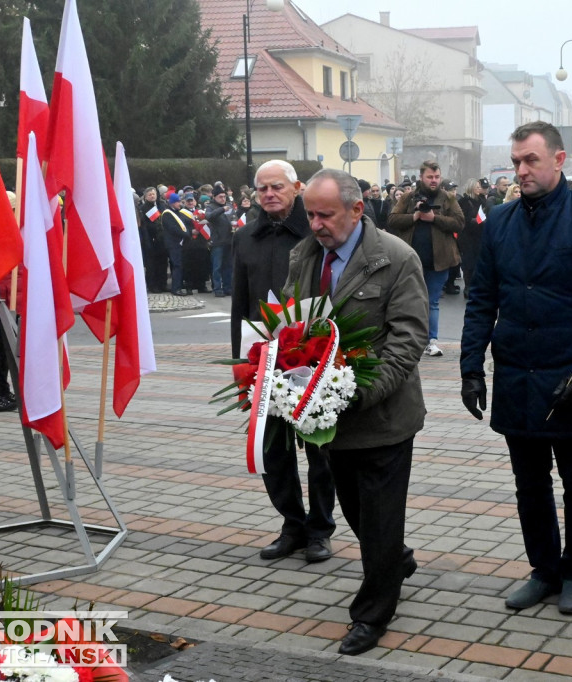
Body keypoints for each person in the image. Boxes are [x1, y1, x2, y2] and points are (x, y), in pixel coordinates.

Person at [460, 121, 572, 616]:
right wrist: (472, 366)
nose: (521, 170)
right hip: (516, 373)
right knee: (529, 482)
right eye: (515, 161)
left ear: (558, 160)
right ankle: (543, 569)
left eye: (531, 160)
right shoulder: (499, 220)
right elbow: (481, 299)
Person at [286, 168, 428, 656]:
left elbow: (409, 338)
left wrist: (360, 393)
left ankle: (372, 614)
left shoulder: (396, 258)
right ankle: (395, 559)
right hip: (329, 422)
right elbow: (291, 326)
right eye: (310, 214)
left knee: (381, 517)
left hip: (383, 419)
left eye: (326, 214)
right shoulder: (304, 256)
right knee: (356, 511)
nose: (317, 224)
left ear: (357, 209)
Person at [231, 160, 337, 565]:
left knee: (319, 449)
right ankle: (292, 524)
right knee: (273, 449)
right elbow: (239, 305)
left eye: (277, 187)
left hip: (309, 353)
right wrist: (241, 365)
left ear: (297, 187)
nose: (269, 194)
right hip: (264, 358)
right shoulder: (246, 238)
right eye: (262, 189)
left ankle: (320, 529)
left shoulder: (314, 233)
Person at [387, 161, 464, 358]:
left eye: (437, 177)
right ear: (421, 177)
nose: (434, 180)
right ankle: (412, 340)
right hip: (410, 259)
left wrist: (434, 218)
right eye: (430, 177)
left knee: (432, 301)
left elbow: (459, 223)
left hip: (440, 260)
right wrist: (414, 217)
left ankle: (432, 341)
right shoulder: (408, 197)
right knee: (410, 301)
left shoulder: (447, 198)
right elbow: (392, 219)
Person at [457, 178, 490, 299]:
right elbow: (461, 219)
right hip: (467, 237)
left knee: (478, 263)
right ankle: (468, 287)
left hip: (480, 235)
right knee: (469, 264)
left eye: (479, 187)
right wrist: (474, 221)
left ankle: (477, 286)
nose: (479, 189)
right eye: (477, 187)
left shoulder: (482, 200)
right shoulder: (464, 201)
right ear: (471, 188)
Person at [205, 181, 234, 297]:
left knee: (228, 266)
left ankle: (228, 287)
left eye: (224, 196)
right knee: (217, 267)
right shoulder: (211, 207)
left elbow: (233, 217)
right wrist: (222, 209)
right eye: (220, 197)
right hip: (217, 241)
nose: (223, 199)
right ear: (215, 197)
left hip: (229, 240)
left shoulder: (229, 206)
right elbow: (209, 217)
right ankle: (217, 288)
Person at [160, 191, 192, 296]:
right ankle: (176, 288)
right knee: (177, 265)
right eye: (178, 202)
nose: (180, 204)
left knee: (179, 265)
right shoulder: (167, 214)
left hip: (179, 243)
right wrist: (186, 234)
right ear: (173, 203)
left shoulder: (178, 212)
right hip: (173, 244)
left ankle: (179, 286)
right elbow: (173, 229)